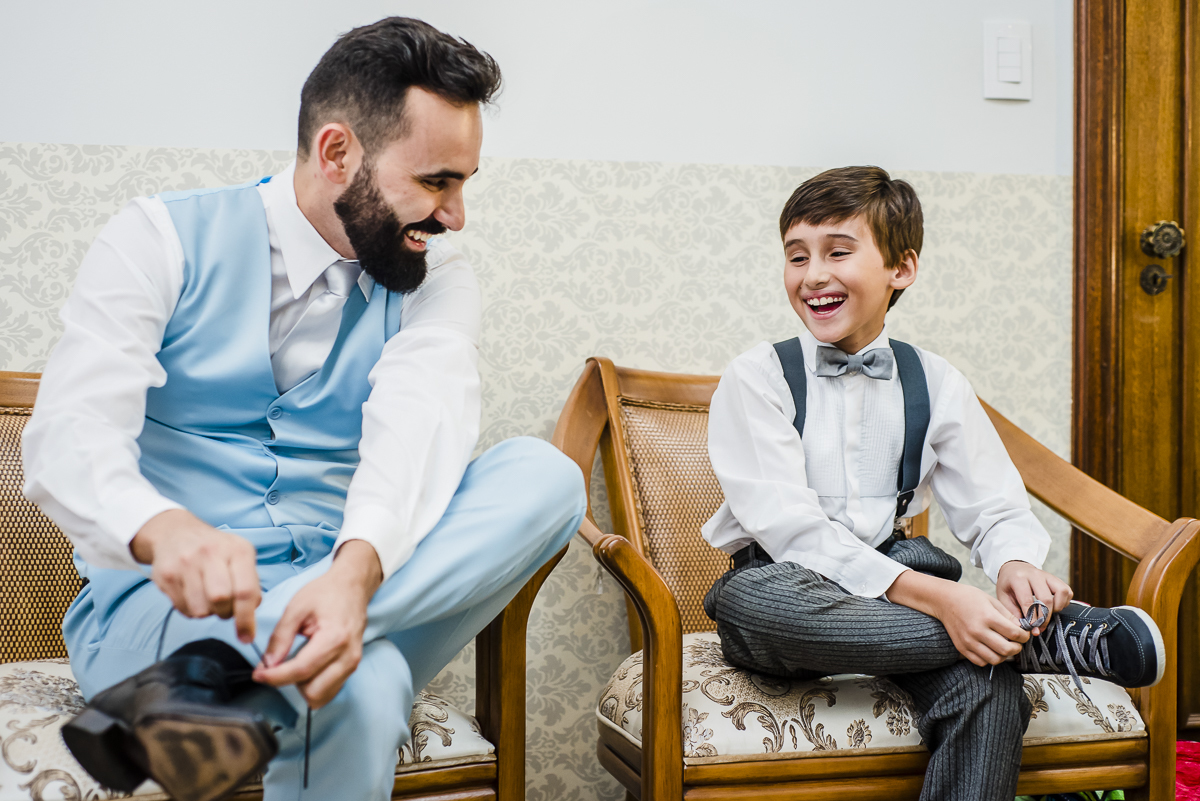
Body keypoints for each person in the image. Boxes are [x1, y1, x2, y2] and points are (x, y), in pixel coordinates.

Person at [21, 17, 586, 801]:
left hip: (341, 580)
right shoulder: (158, 238)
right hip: (158, 616)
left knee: (547, 476)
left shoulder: (438, 276)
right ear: (336, 154)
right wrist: (163, 527)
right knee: (360, 678)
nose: (455, 215)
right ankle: (280, 648)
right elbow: (67, 436)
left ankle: (225, 681)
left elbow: (421, 418)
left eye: (463, 183)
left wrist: (350, 579)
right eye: (436, 182)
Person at [700, 166, 1164, 801]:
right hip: (787, 584)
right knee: (758, 606)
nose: (812, 275)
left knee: (987, 684)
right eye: (796, 256)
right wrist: (946, 602)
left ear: (902, 268)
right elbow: (789, 529)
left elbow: (994, 502)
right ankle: (1034, 640)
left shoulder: (936, 381)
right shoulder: (759, 376)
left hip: (898, 587)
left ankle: (1004, 636)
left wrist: (1016, 561)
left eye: (838, 251)